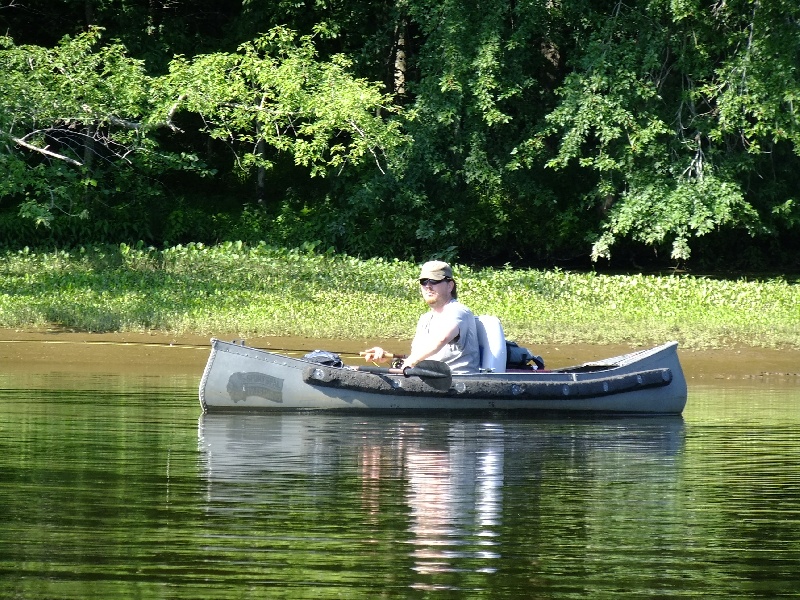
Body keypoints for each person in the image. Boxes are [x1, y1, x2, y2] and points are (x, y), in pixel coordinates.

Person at [363, 261, 480, 374]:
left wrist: (412, 361)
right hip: (426, 378)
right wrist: (387, 358)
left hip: (455, 380)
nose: (428, 286)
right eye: (424, 282)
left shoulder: (458, 311)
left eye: (434, 281)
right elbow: (417, 359)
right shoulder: (425, 319)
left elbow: (442, 339)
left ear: (450, 286)